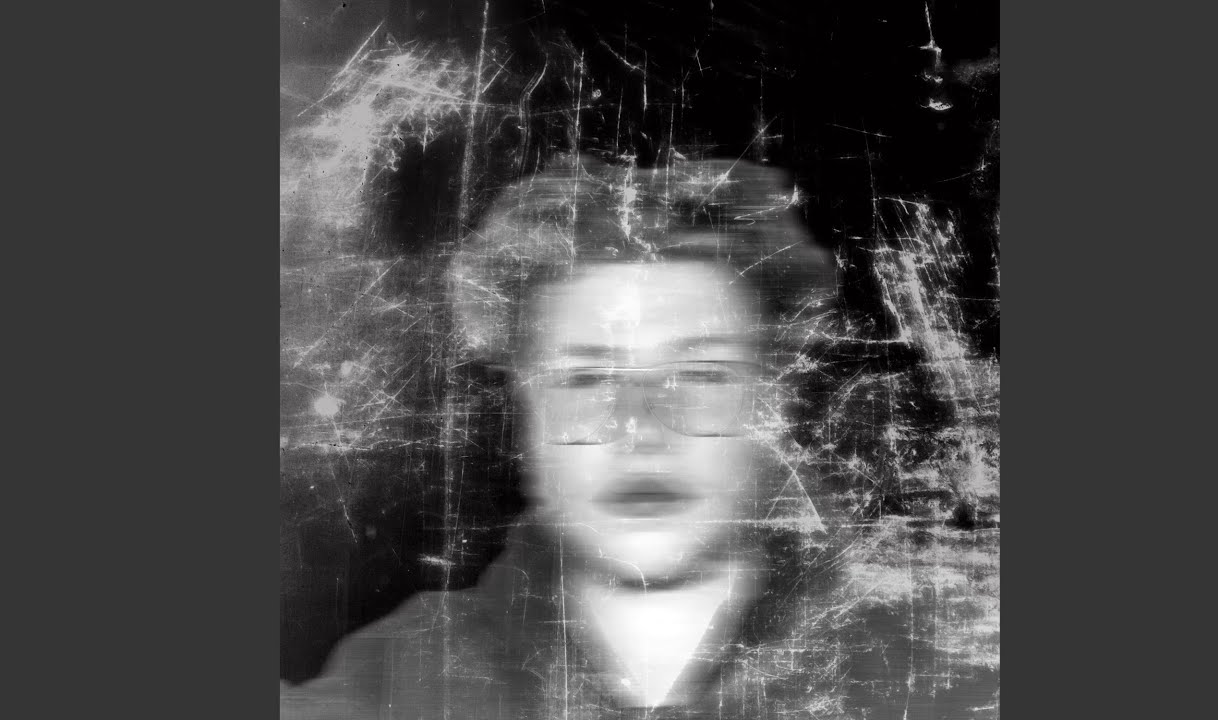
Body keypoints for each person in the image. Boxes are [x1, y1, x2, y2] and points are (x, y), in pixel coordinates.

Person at [280, 156, 999, 719]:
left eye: (701, 373)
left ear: (773, 400)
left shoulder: (954, 667)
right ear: (524, 411)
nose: (641, 428)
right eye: (587, 379)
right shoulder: (395, 685)